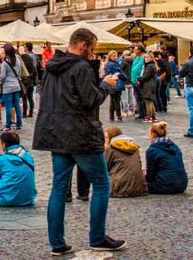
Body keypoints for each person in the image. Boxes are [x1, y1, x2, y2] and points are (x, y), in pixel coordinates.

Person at [33, 27, 126, 255]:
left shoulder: (52, 66)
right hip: (82, 134)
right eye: (92, 49)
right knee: (102, 185)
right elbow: (91, 100)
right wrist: (106, 84)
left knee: (58, 188)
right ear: (83, 45)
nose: (93, 54)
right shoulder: (81, 67)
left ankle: (57, 243)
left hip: (57, 134)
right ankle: (97, 237)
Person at [145, 121, 187, 195]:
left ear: (152, 134)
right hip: (182, 184)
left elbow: (150, 174)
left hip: (165, 186)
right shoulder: (174, 146)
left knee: (139, 183)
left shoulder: (151, 150)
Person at [103, 126, 146, 198]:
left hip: (121, 187)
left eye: (106, 138)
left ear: (112, 138)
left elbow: (105, 167)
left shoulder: (110, 148)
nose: (105, 140)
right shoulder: (134, 147)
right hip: (139, 186)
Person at [0, 44, 25, 131]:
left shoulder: (5, 62)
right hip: (16, 86)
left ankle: (8, 125)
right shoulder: (17, 59)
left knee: (8, 107)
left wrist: (0, 83)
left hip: (7, 87)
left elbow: (3, 76)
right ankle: (18, 124)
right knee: (17, 105)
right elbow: (20, 72)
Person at [136, 51, 158, 123]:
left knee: (148, 101)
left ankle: (149, 116)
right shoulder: (151, 65)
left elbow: (146, 76)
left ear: (151, 58)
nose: (146, 58)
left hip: (148, 85)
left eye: (147, 57)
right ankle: (153, 116)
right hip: (150, 84)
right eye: (145, 57)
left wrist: (139, 78)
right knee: (150, 100)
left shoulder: (150, 66)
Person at [103, 51, 123, 123]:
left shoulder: (108, 63)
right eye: (114, 56)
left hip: (111, 83)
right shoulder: (113, 64)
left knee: (113, 100)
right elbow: (120, 73)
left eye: (116, 56)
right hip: (116, 83)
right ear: (110, 56)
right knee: (116, 101)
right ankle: (119, 116)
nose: (115, 57)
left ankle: (111, 117)